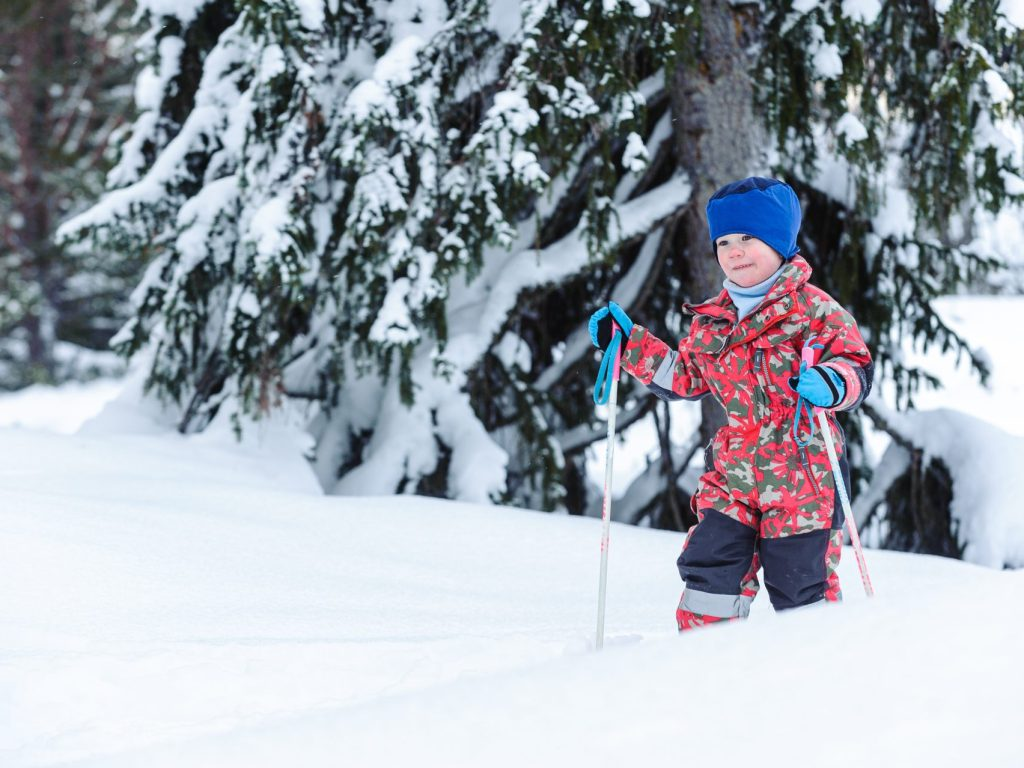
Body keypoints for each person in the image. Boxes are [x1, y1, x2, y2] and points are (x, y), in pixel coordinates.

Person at [588, 177, 873, 630]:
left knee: (801, 585)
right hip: (734, 471)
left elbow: (856, 367)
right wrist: (630, 347)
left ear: (780, 241)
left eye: (747, 238)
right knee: (710, 566)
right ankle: (708, 663)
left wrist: (832, 381)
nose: (734, 250)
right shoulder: (713, 321)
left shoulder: (815, 311)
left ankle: (816, 674)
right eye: (723, 241)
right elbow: (684, 377)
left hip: (803, 476)